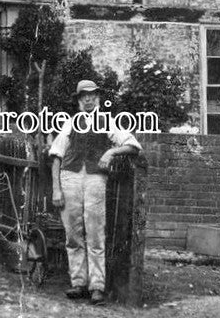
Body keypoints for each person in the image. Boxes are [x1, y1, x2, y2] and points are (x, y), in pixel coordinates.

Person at [49, 79, 142, 305]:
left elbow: (133, 146)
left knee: (95, 232)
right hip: (69, 177)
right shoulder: (70, 122)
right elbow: (56, 155)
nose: (88, 99)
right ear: (79, 100)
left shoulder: (107, 121)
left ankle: (97, 286)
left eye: (92, 95)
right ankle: (78, 282)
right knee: (72, 233)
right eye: (84, 96)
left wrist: (111, 152)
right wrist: (56, 189)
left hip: (95, 179)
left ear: (98, 98)